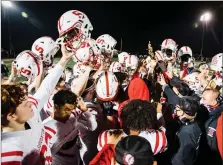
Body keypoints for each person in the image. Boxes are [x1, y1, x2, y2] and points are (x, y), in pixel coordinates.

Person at [1, 44, 73, 164]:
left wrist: (64, 59)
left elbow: (46, 88)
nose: (30, 103)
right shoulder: (8, 154)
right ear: (11, 116)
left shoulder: (28, 114)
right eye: (24, 104)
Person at [171, 97, 202, 165]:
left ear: (181, 112)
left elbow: (185, 156)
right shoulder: (196, 123)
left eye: (177, 109)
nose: (175, 111)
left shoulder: (185, 132)